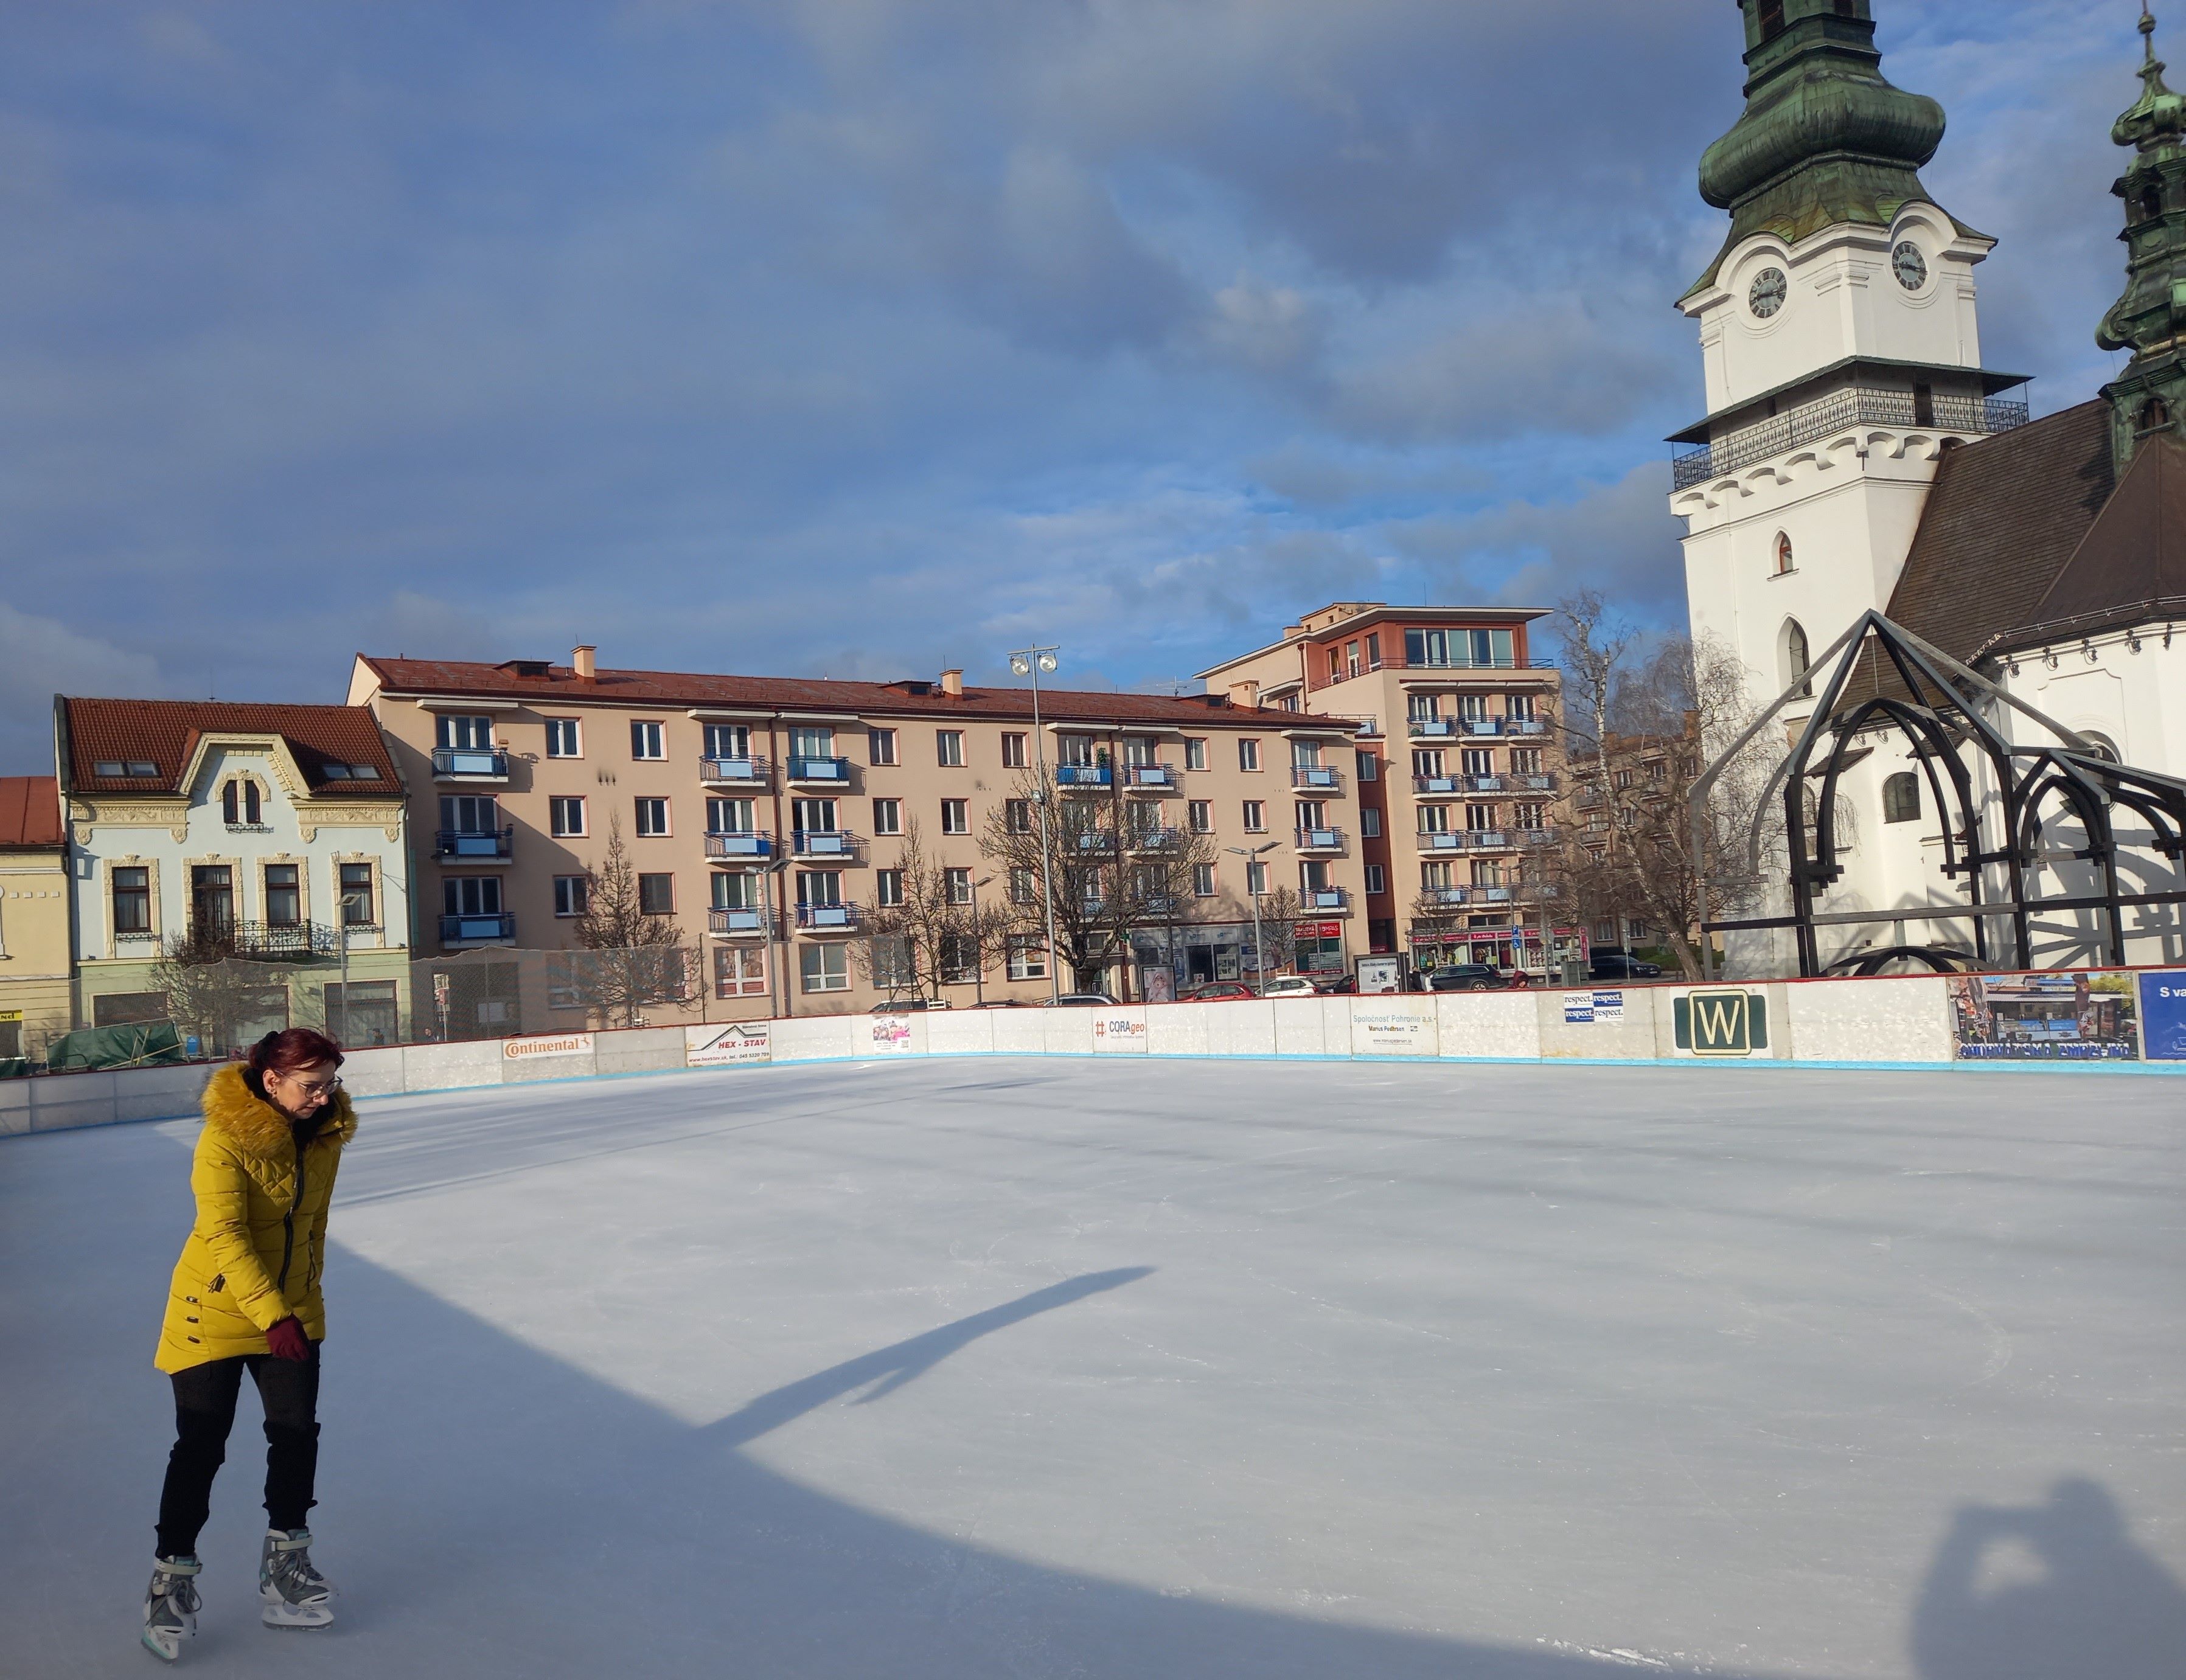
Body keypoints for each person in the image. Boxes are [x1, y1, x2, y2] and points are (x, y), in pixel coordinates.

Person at [142, 1027, 356, 1662]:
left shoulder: (323, 1135)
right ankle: (170, 1581)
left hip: (290, 1310)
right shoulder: (224, 1138)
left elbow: (312, 1226)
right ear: (272, 1080)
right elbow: (226, 1234)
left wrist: (304, 1307)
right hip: (212, 1311)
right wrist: (273, 1315)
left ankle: (285, 1565)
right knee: (201, 1445)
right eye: (311, 1085)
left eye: (331, 1083)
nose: (324, 1097)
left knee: (296, 1434)